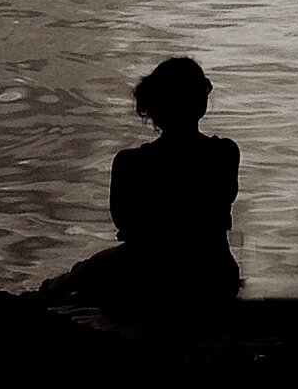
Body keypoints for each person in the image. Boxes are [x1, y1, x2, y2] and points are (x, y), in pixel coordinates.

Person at [40, 57, 241, 318]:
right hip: (216, 277)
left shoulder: (129, 163)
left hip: (147, 277)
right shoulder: (224, 153)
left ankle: (56, 287)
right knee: (96, 268)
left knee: (93, 270)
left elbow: (128, 229)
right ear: (200, 103)